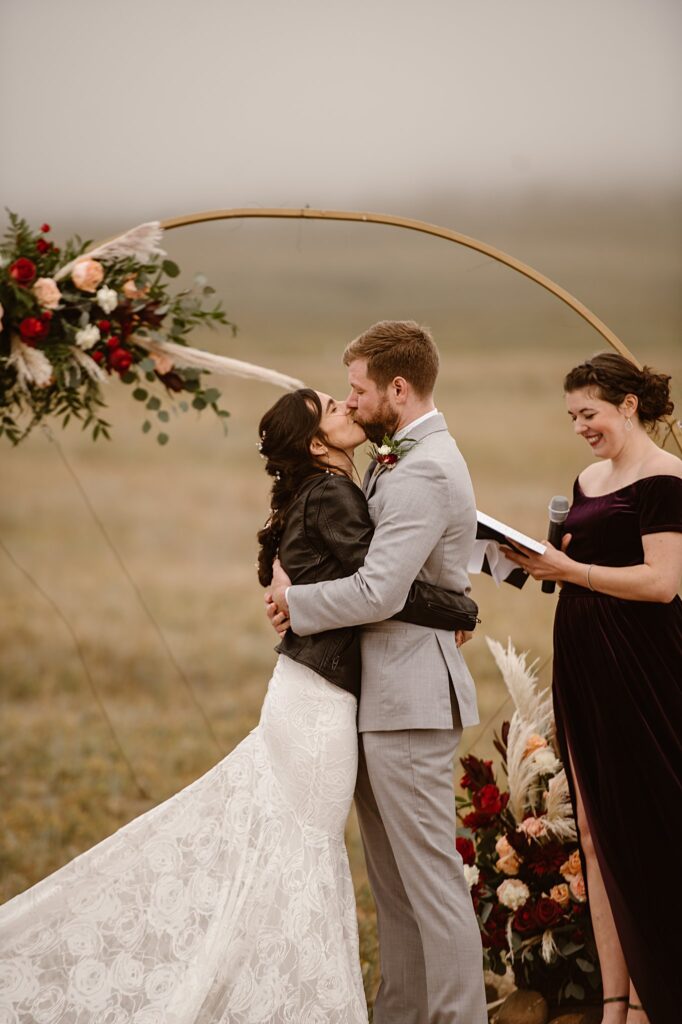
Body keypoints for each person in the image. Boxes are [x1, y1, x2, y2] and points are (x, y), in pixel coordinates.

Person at [0, 386, 473, 1024]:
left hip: (305, 696)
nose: (347, 411)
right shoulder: (332, 493)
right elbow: (382, 589)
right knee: (303, 851)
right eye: (332, 409)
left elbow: (333, 577)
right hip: (320, 709)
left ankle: (264, 986)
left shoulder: (319, 491)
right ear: (314, 444)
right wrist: (461, 607)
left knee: (287, 849)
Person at [268, 320, 488, 1024]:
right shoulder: (398, 455)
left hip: (411, 698)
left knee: (431, 883)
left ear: (398, 387)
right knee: (393, 887)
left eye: (359, 390)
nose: (351, 402)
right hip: (380, 697)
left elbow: (378, 592)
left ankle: (460, 1017)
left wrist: (293, 603)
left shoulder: (423, 467)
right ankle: (401, 1013)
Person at [500, 352, 682, 1024]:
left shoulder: (666, 480)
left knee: (647, 825)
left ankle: (651, 998)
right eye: (572, 415)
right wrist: (537, 562)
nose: (580, 426)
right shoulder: (588, 477)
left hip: (646, 665)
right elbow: (573, 565)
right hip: (584, 659)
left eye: (590, 413)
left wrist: (572, 569)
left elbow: (663, 583)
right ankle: (614, 1002)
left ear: (628, 405)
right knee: (598, 832)